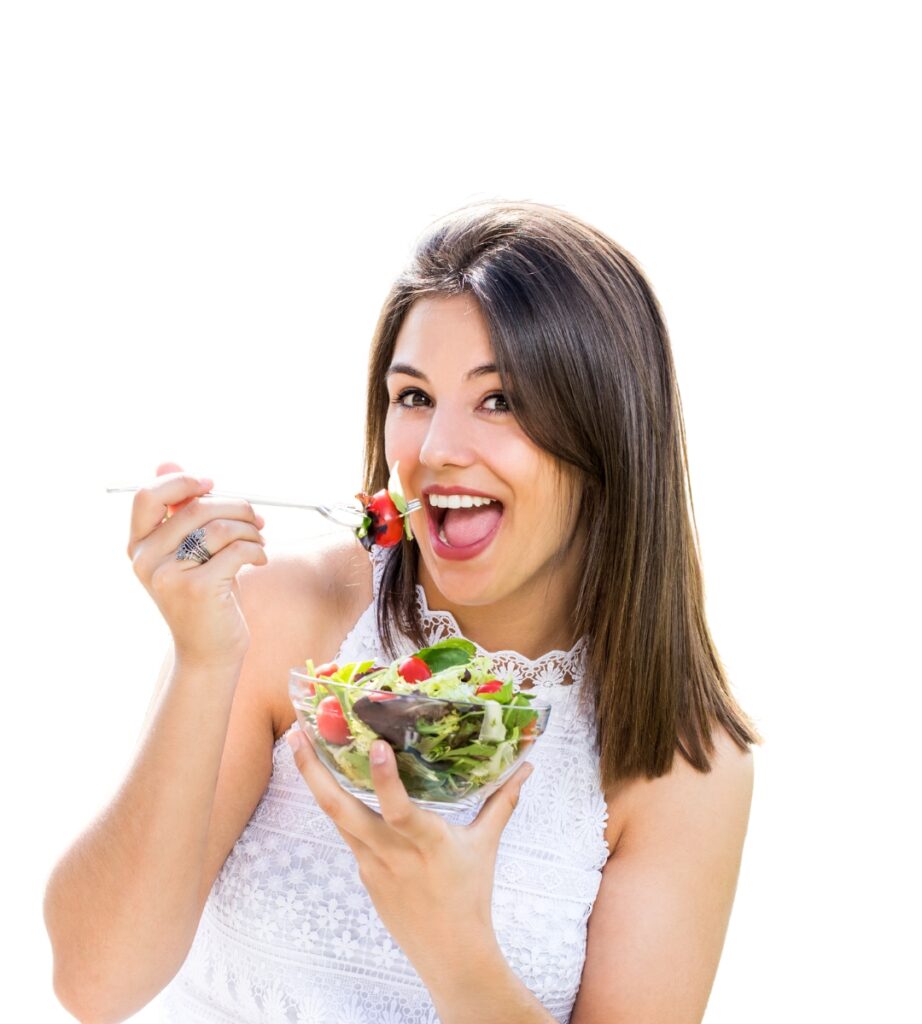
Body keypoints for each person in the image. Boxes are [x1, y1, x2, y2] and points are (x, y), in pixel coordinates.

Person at [44, 200, 759, 1024]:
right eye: (413, 396)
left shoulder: (684, 763)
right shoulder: (279, 619)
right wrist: (204, 663)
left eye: (499, 401)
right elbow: (93, 985)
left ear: (608, 435)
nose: (437, 449)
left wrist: (454, 948)